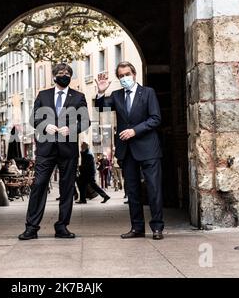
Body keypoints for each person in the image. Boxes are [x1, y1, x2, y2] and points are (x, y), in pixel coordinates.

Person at [18, 63, 90, 240]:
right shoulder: (43, 95)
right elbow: (33, 118)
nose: (63, 75)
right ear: (54, 76)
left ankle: (62, 226)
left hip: (68, 150)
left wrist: (71, 129)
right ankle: (31, 227)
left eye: (67, 73)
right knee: (39, 185)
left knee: (67, 189)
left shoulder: (78, 96)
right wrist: (44, 125)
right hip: (46, 149)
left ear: (70, 77)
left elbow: (86, 121)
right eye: (60, 73)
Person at [95, 61, 164, 240]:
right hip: (127, 152)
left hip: (148, 149)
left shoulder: (148, 93)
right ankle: (137, 228)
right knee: (132, 191)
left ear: (134, 74)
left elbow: (156, 118)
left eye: (127, 74)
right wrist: (101, 92)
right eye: (121, 76)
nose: (124, 78)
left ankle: (157, 228)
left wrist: (135, 130)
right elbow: (101, 107)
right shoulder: (117, 96)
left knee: (154, 189)